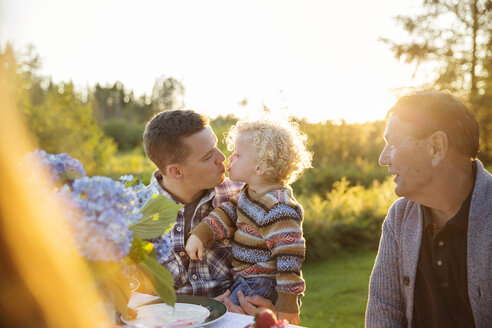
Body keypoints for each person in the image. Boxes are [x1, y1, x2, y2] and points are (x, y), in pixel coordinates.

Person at [365, 91, 492, 328]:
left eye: (393, 143)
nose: (383, 159)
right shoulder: (399, 217)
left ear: (436, 146)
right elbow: (383, 312)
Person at [185, 119, 312, 325]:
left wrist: (287, 305)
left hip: (262, 283)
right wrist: (201, 234)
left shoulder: (279, 207)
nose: (229, 158)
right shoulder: (250, 193)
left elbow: (289, 259)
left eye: (237, 154)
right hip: (245, 279)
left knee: (220, 320)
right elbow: (228, 212)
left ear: (260, 167)